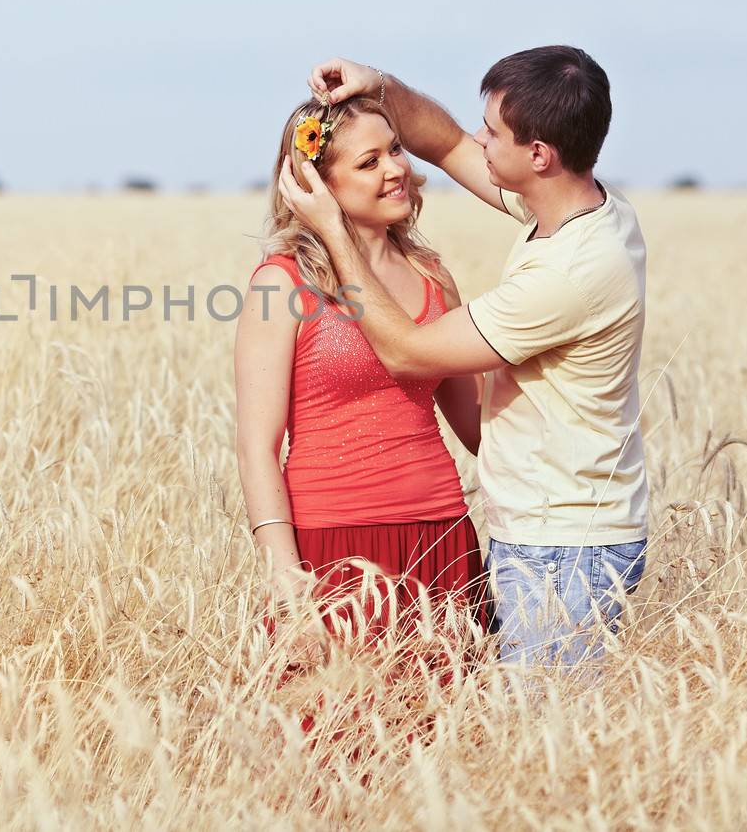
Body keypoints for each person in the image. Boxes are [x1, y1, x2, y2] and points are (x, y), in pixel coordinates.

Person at [277, 47, 648, 667]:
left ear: (538, 155)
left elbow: (407, 351)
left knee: (543, 737)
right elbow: (446, 143)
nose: (478, 139)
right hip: (545, 533)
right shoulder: (574, 208)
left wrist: (334, 232)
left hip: (563, 545)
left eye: (494, 131)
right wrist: (379, 85)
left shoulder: (572, 272)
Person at [233, 91, 492, 685]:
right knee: (335, 750)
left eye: (396, 149)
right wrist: (284, 574)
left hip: (441, 543)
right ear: (313, 183)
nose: (397, 168)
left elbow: (476, 428)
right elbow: (256, 446)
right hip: (333, 549)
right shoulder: (283, 284)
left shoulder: (433, 278)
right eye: (368, 162)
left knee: (445, 748)